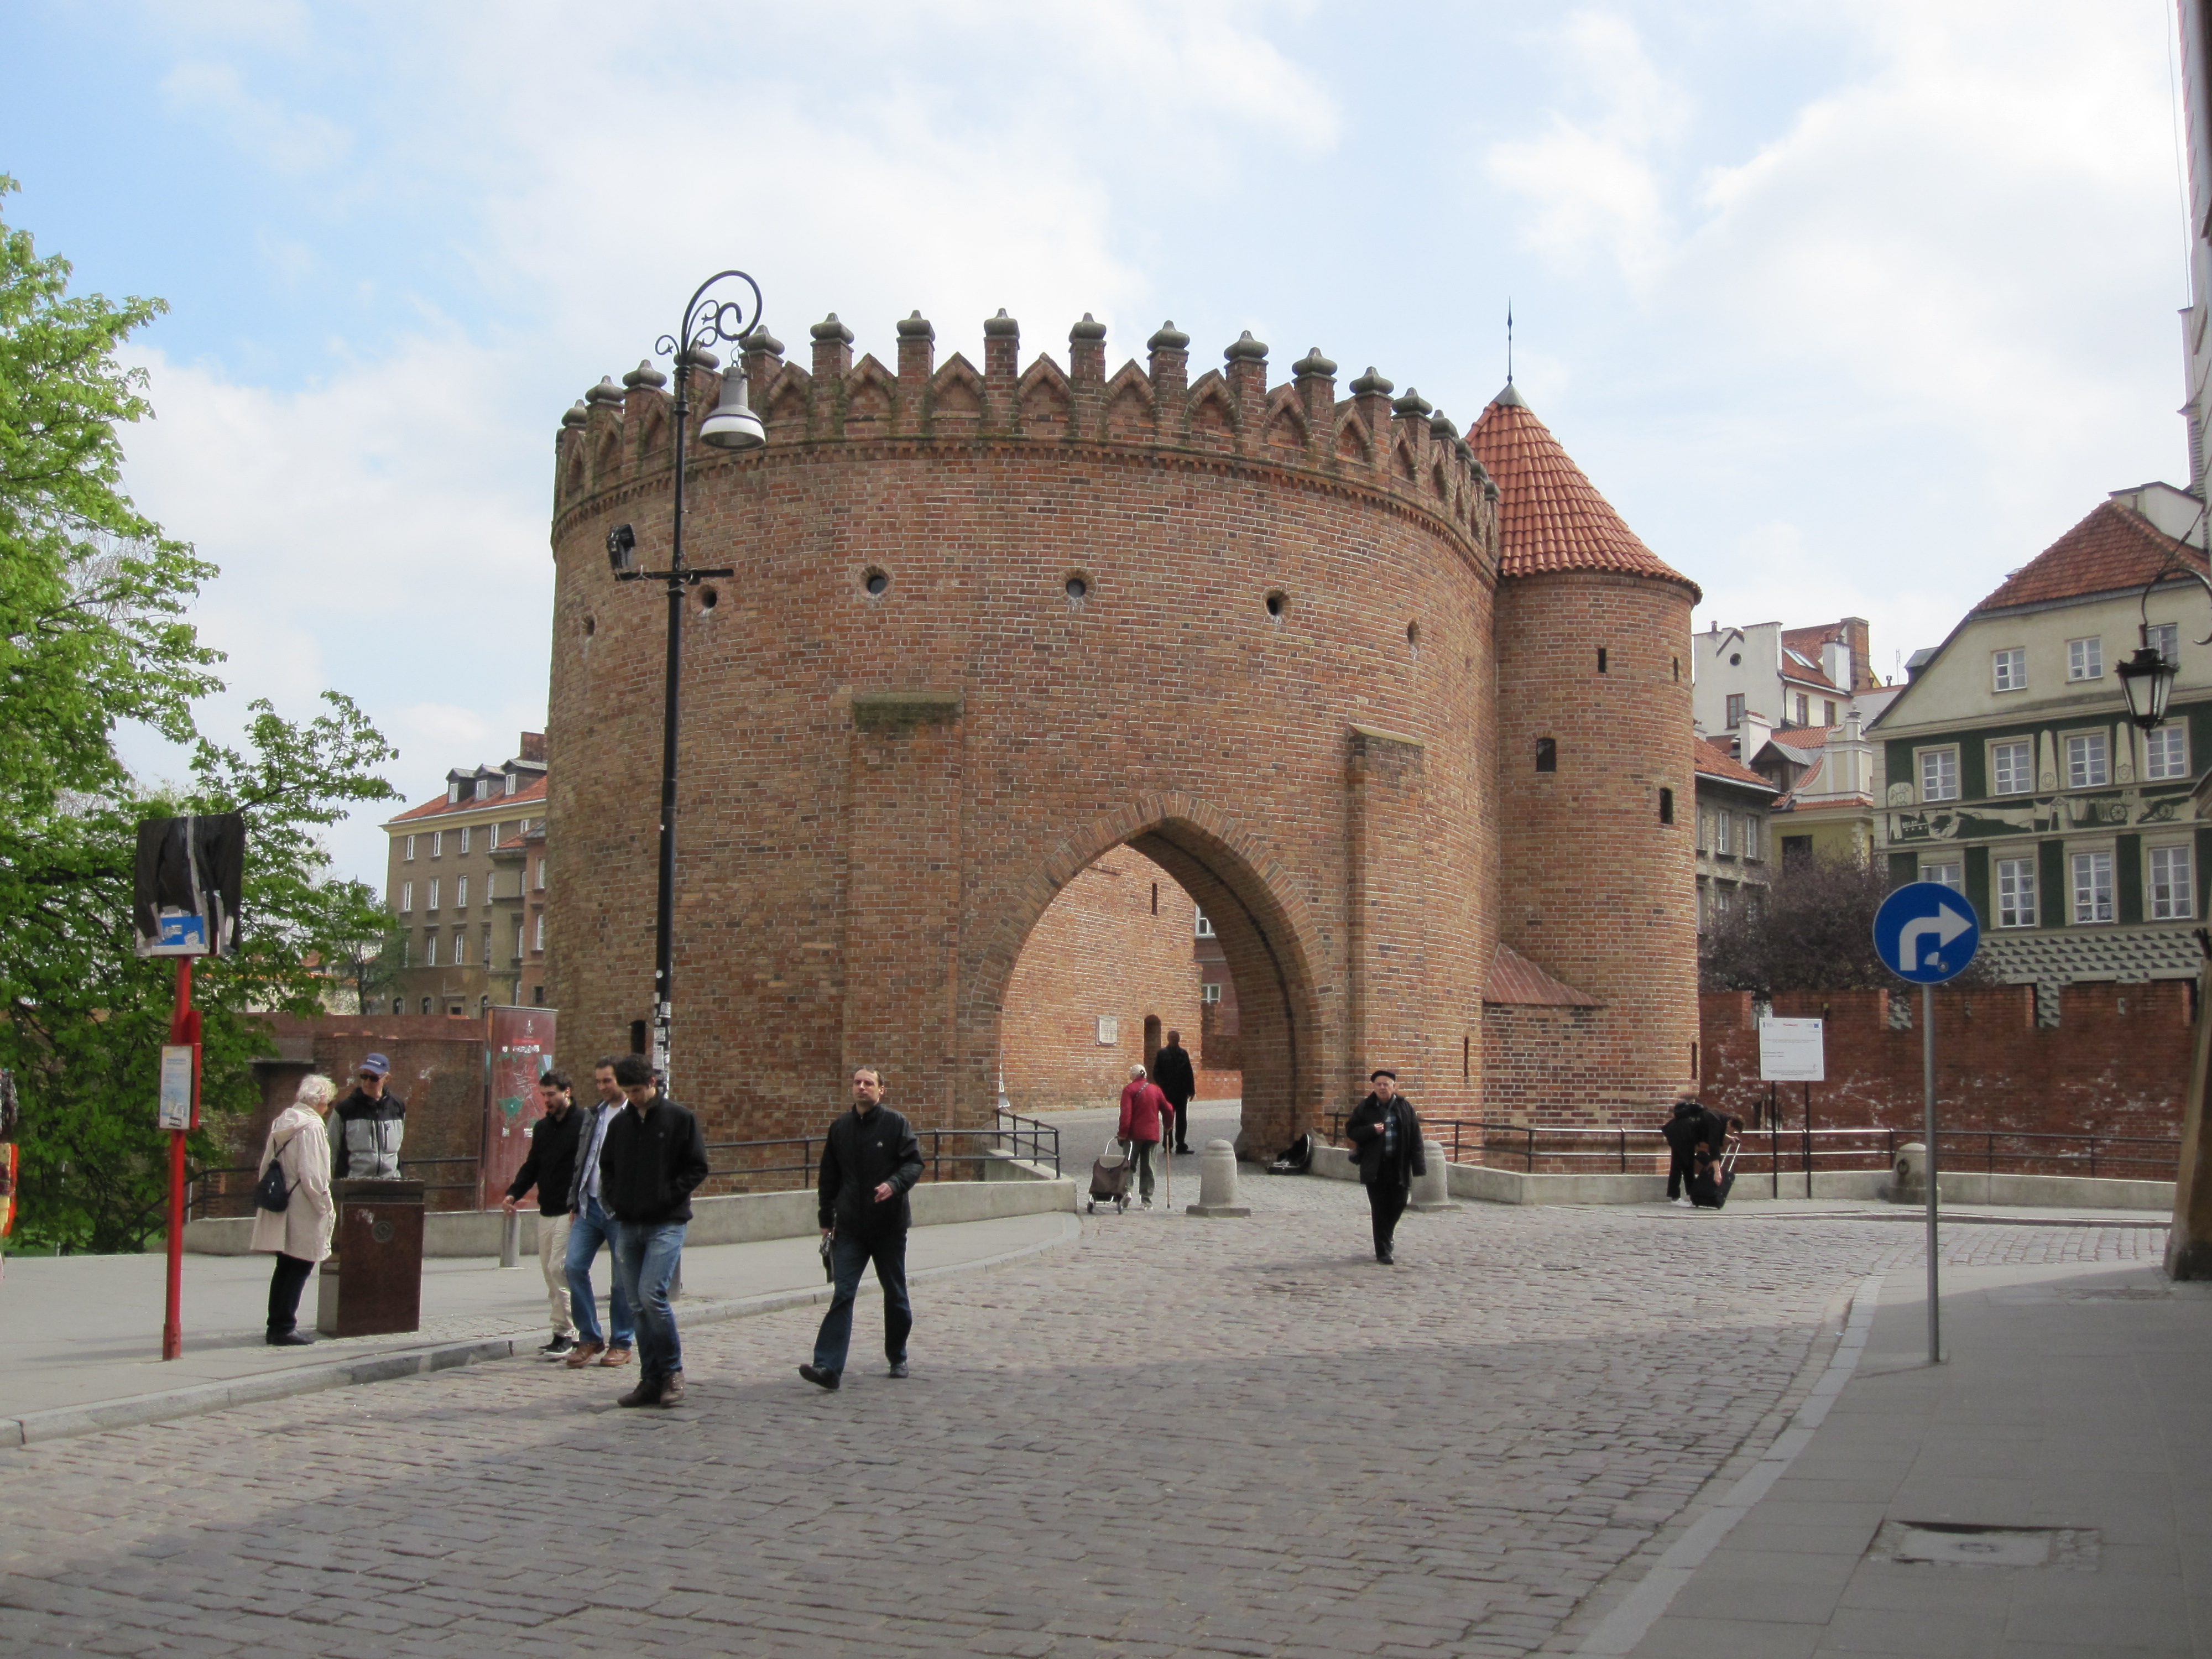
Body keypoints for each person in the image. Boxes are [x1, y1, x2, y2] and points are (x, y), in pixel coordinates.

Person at [802, 1067, 925, 1391]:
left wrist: (894, 1184)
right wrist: (826, 1220)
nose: (861, 1087)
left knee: (895, 1293)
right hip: (850, 1228)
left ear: (881, 1090)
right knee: (843, 1293)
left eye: (868, 1083)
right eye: (857, 1082)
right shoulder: (840, 1128)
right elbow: (829, 1177)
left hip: (888, 1227)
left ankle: (897, 1355)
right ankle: (828, 1366)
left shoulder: (895, 1124)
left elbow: (914, 1163)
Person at [597, 1055, 709, 1407]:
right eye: (627, 1091)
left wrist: (668, 1195)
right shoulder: (622, 1124)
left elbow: (697, 1166)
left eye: (637, 1090)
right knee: (636, 1304)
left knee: (651, 1296)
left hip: (667, 1223)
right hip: (629, 1223)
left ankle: (673, 1371)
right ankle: (650, 1378)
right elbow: (607, 1166)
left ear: (651, 1083)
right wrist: (616, 1200)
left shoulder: (679, 1118)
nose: (632, 1098)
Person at [251, 1074, 337, 1345]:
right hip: (304, 1205)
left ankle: (276, 1324)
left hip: (283, 1202)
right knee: (300, 1266)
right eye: (328, 1102)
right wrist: (326, 1207)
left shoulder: (283, 1121)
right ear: (321, 1100)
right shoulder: (312, 1127)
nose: (328, 1108)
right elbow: (314, 1175)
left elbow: (266, 1164)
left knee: (285, 1265)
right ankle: (284, 1327)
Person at [503, 1068, 584, 1358]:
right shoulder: (543, 1128)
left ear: (567, 1092)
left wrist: (580, 1202)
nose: (546, 1100)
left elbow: (588, 1167)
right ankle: (563, 1331)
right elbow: (533, 1165)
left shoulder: (583, 1123)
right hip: (547, 1209)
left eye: (551, 1094)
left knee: (558, 1269)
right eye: (543, 1095)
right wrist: (514, 1192)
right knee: (550, 1275)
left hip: (570, 1209)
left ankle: (570, 1333)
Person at [563, 1058, 637, 1370]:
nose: (602, 1087)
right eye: (598, 1082)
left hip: (620, 1210)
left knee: (621, 1280)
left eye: (607, 1081)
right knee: (573, 1266)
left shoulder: (634, 1115)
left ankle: (622, 1342)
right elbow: (583, 1159)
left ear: (621, 1080)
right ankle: (589, 1337)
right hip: (589, 1205)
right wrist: (574, 1201)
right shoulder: (594, 1114)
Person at [1344, 1069, 1424, 1264]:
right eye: (1378, 1084)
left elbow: (1416, 1137)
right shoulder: (1366, 1107)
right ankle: (1383, 1251)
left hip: (1398, 1165)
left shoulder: (1405, 1107)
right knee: (1379, 1208)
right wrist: (1371, 1130)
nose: (1382, 1088)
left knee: (1399, 1203)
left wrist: (1419, 1166)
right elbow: (1351, 1131)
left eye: (1386, 1084)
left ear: (1393, 1087)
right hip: (1376, 1167)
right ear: (1374, 1087)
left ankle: (1387, 1235)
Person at [331, 1053, 405, 1180]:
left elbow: (398, 1145)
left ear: (387, 1079)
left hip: (391, 1182)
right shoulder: (344, 1109)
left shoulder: (397, 1107)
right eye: (364, 1076)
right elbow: (331, 1148)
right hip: (354, 1183)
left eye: (374, 1078)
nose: (367, 1082)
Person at [1116, 1063, 1171, 1209]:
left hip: (1133, 1136)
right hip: (1152, 1135)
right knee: (1149, 1166)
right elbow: (1169, 1109)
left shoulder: (1129, 1090)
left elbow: (1126, 1115)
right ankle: (1146, 1200)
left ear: (1132, 1076)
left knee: (1128, 1164)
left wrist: (1122, 1134)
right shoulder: (1156, 1090)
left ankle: (1127, 1191)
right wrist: (1168, 1126)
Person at [1151, 1029, 1197, 1155]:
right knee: (1168, 1117)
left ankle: (1181, 1145)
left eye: (1177, 1038)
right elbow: (1156, 1072)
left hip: (1182, 1091)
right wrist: (1164, 1085)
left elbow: (1188, 1072)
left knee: (1182, 1119)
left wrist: (1191, 1090)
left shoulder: (1183, 1053)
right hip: (1168, 1092)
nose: (1176, 1040)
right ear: (1168, 1039)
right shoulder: (1162, 1053)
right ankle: (1167, 1145)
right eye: (1173, 1038)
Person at [1661, 1097, 1705, 1208]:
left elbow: (1666, 1130)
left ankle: (1677, 1196)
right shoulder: (1690, 1122)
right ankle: (1689, 1197)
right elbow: (1698, 1135)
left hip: (1678, 1147)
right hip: (1687, 1148)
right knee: (1687, 1172)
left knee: (1678, 1171)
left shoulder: (1675, 1123)